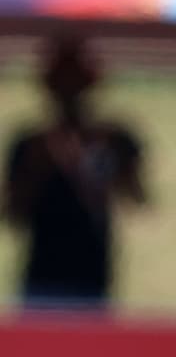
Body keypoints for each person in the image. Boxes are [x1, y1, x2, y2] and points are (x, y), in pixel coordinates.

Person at [3, 35, 148, 308]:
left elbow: (137, 198)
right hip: (42, 277)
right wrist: (42, 164)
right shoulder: (29, 144)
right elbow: (12, 212)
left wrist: (102, 163)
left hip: (93, 276)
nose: (70, 90)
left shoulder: (113, 139)